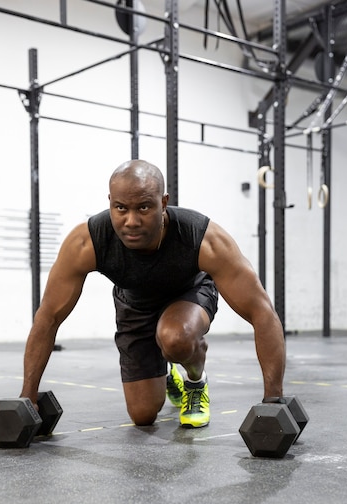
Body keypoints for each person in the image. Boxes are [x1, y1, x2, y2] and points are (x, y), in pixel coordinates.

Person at [20, 159, 285, 428]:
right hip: (134, 306)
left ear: (164, 202)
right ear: (110, 201)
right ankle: (168, 372)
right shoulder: (87, 242)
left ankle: (195, 382)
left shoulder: (202, 238)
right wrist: (27, 397)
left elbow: (261, 312)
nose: (131, 221)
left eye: (144, 207)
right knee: (142, 415)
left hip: (189, 294)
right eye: (120, 208)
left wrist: (273, 401)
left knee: (175, 338)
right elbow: (48, 317)